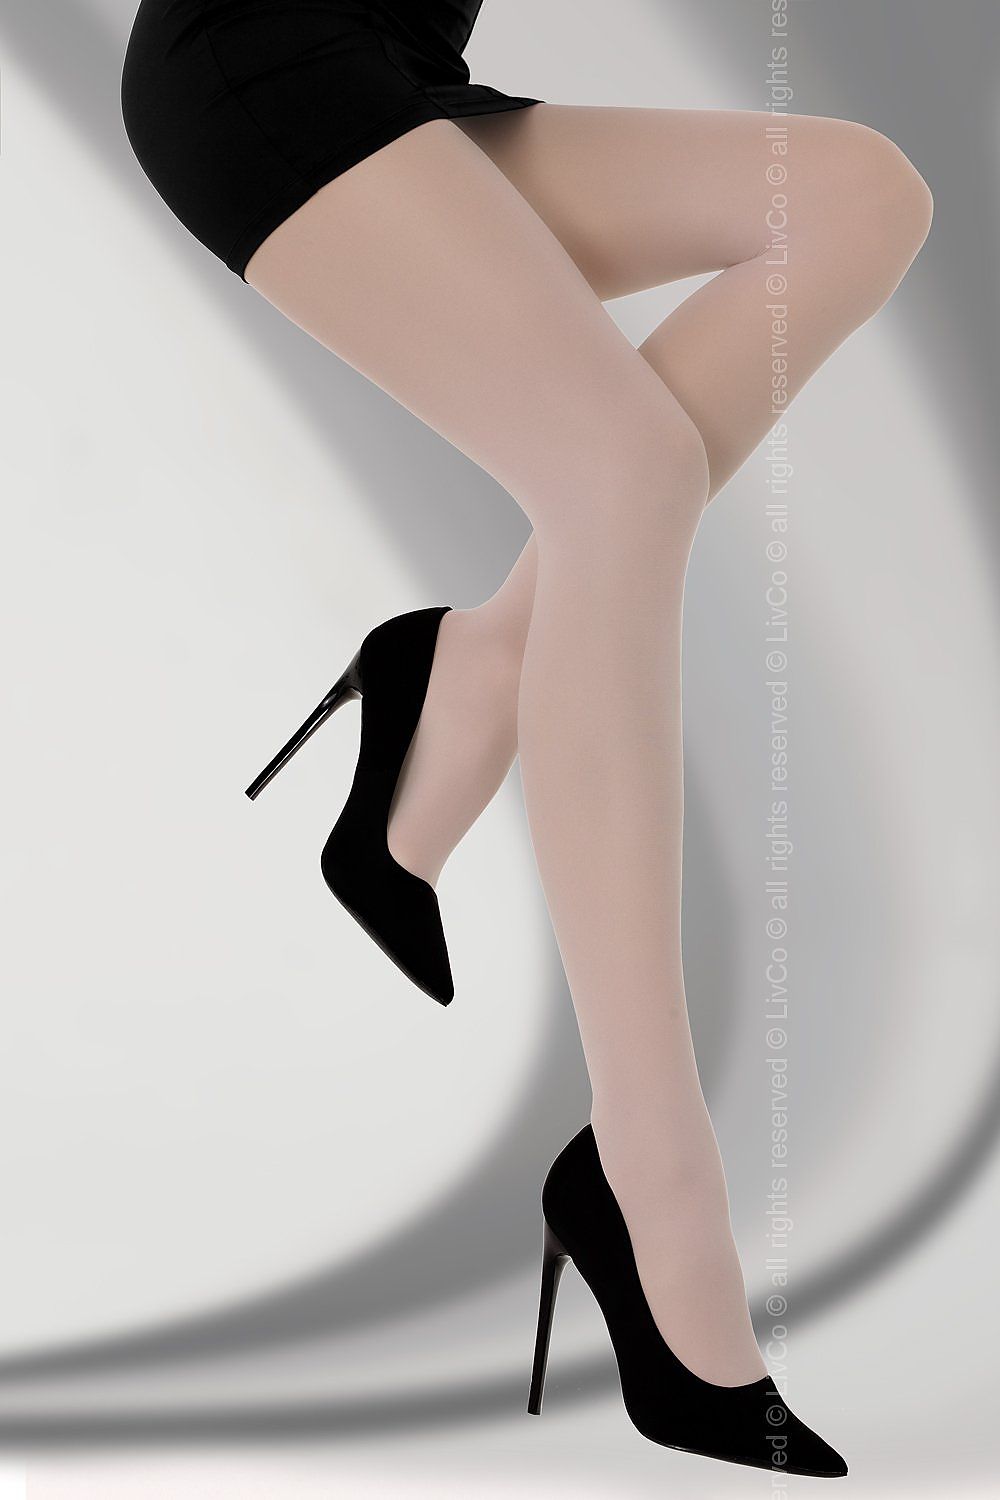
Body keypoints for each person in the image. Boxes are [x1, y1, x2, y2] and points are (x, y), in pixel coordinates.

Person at [121, 0, 932, 1475]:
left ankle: (477, 666)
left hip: (397, 73)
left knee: (856, 196)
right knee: (620, 470)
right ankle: (651, 1167)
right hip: (260, 59)